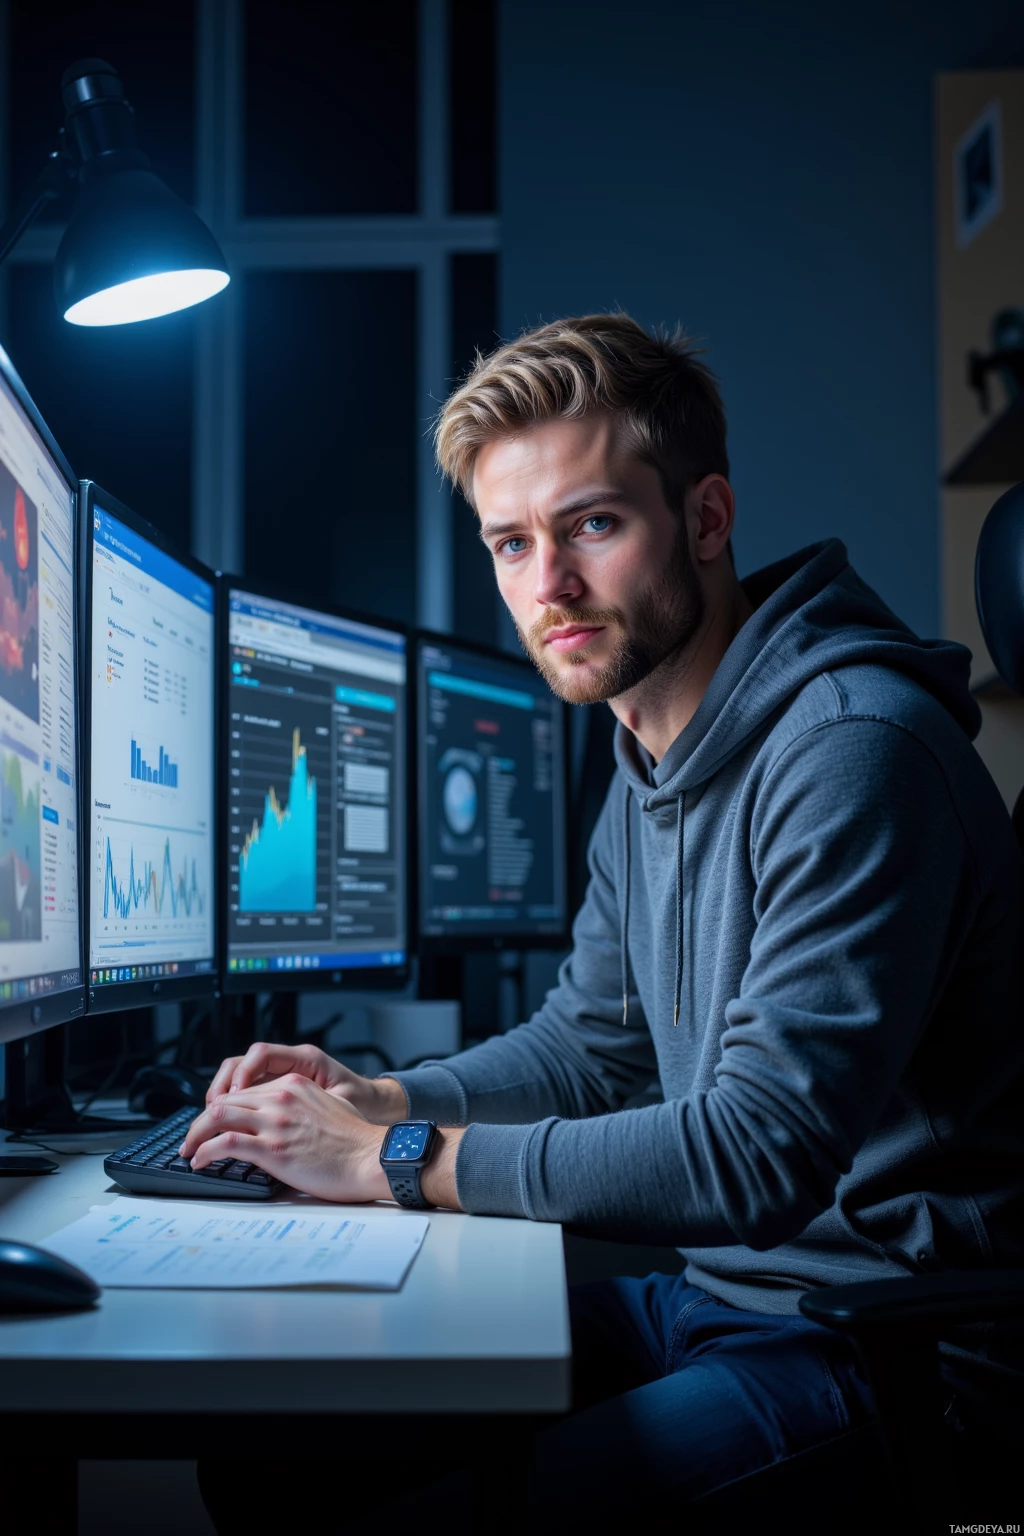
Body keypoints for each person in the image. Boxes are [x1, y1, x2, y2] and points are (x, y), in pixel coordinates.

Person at [193, 314, 1023, 1529]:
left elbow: (757, 1153)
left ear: (704, 518)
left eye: (591, 525)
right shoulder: (648, 741)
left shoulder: (855, 749)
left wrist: (392, 1165)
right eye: (511, 543)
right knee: (270, 1445)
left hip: (890, 1354)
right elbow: (591, 1048)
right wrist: (384, 1098)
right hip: (716, 1304)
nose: (550, 588)